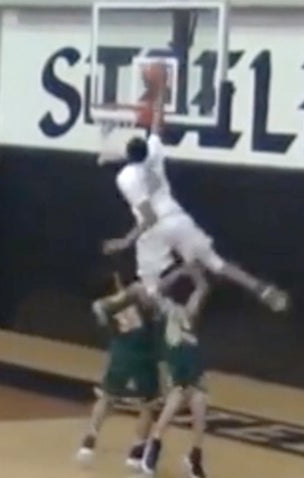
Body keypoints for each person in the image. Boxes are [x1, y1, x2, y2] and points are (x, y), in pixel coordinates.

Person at [100, 65, 289, 312]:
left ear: (127, 153)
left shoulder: (125, 177)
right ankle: (262, 289)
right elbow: (156, 124)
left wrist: (124, 242)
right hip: (178, 218)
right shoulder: (154, 153)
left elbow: (148, 216)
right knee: (216, 263)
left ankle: (171, 317)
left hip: (156, 229)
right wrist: (160, 90)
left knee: (149, 288)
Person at [90, 264, 211, 478]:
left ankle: (195, 454)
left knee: (200, 404)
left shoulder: (188, 313)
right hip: (175, 361)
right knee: (174, 398)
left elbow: (202, 290)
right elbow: (143, 291)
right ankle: (152, 444)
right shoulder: (162, 308)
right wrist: (179, 272)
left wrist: (194, 273)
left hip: (192, 361)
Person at [76, 274, 161, 469]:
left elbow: (100, 313)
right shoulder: (139, 295)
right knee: (148, 405)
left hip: (120, 355)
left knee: (106, 398)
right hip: (143, 355)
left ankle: (88, 442)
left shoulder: (103, 304)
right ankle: (136, 452)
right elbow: (153, 307)